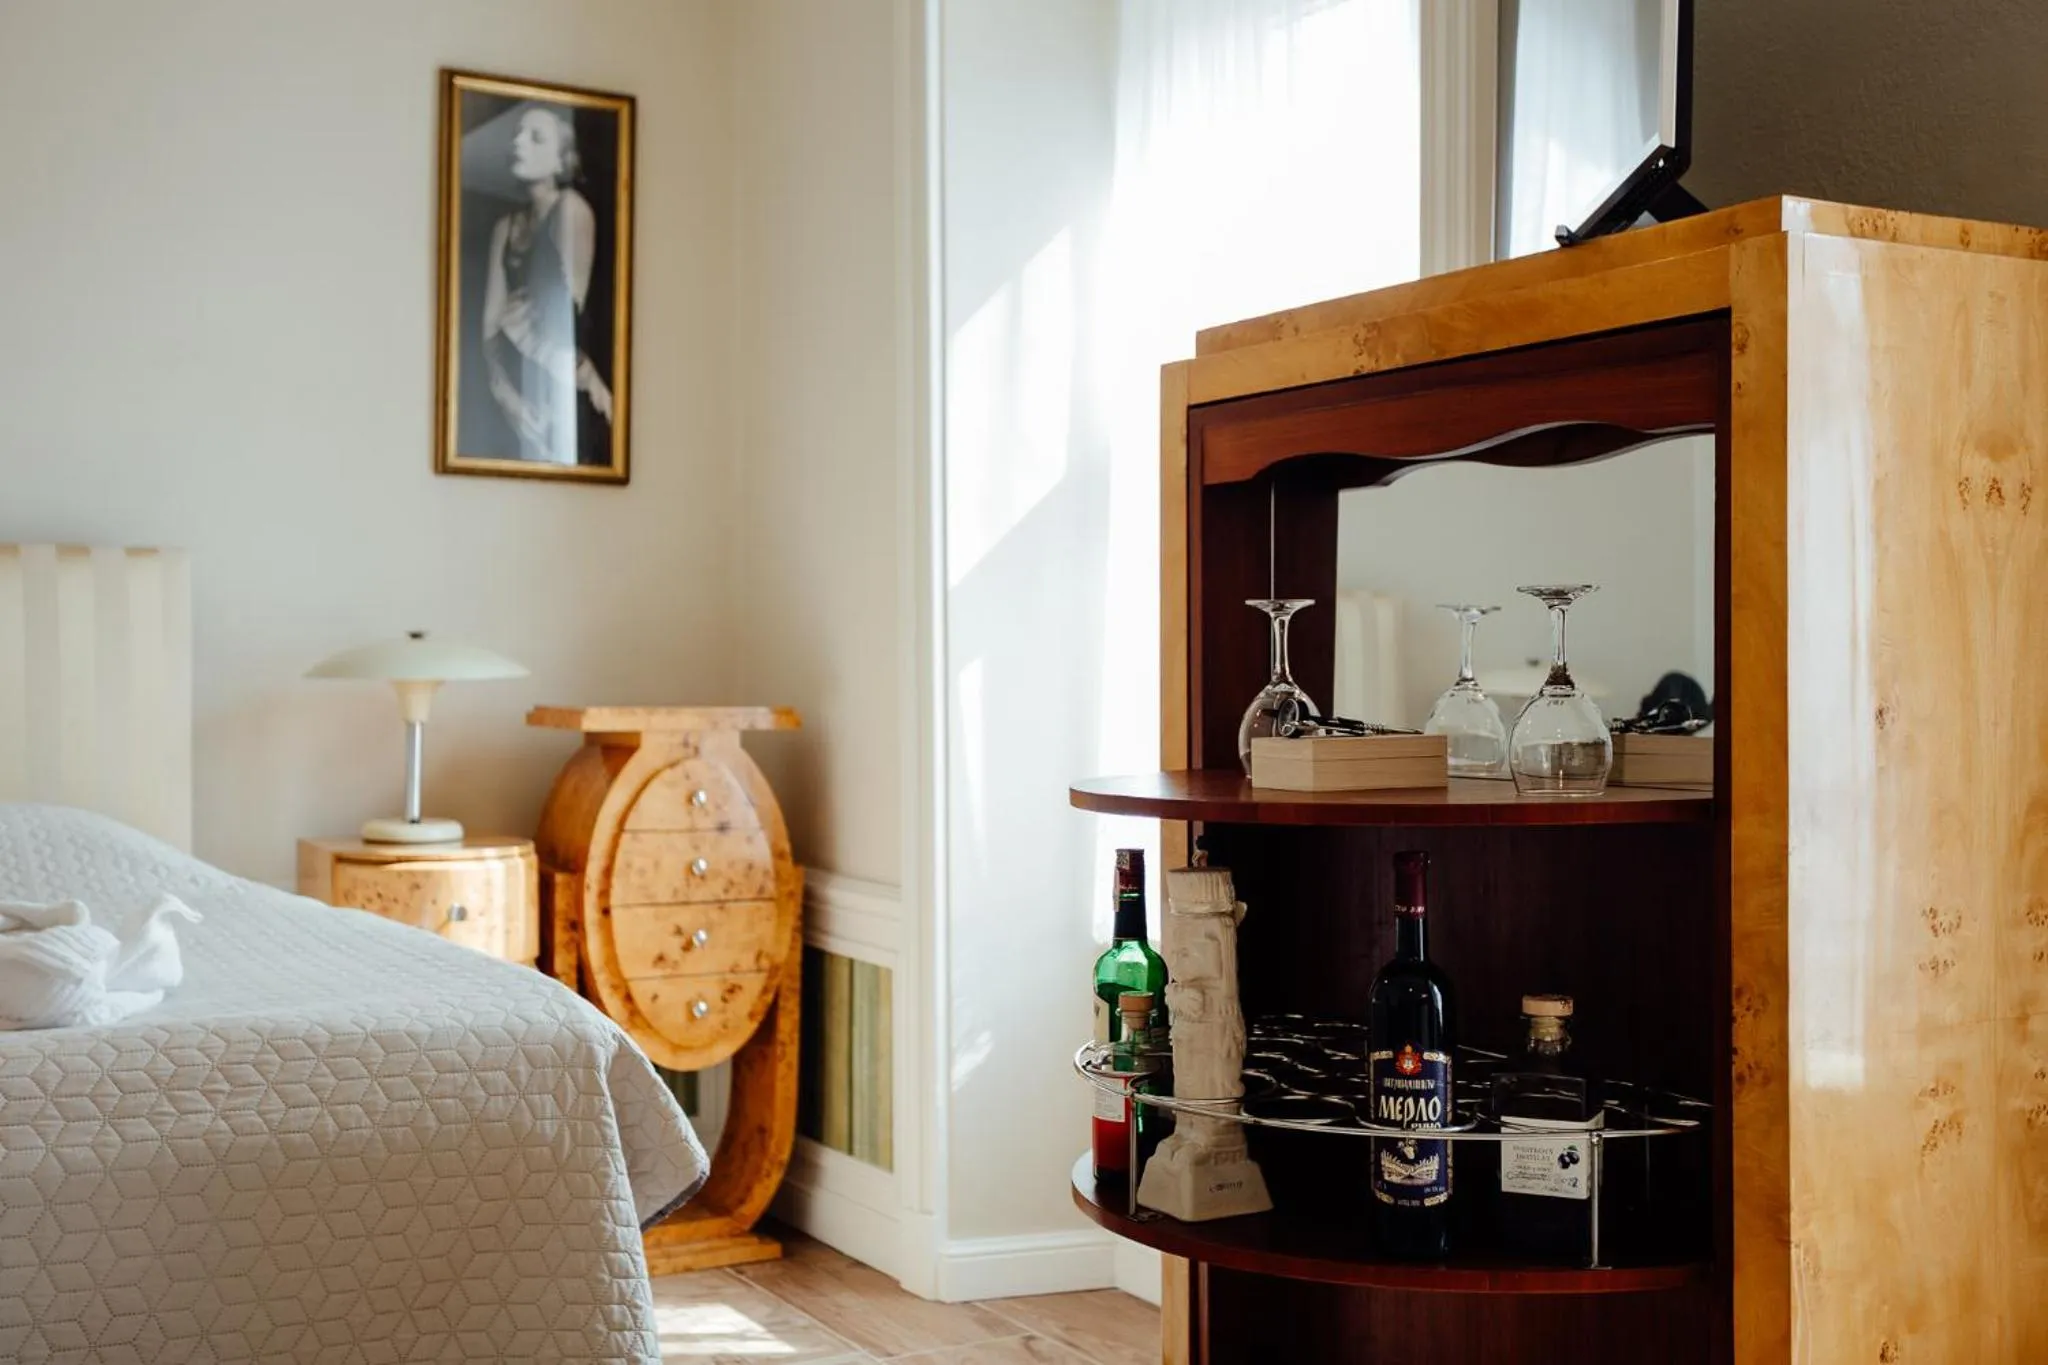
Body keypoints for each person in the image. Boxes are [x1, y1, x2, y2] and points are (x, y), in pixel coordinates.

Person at [482, 105, 612, 465]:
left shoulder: (571, 209)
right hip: (513, 376)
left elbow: (563, 325)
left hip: (557, 371)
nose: (518, 142)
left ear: (560, 162)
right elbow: (491, 325)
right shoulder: (504, 227)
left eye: (535, 137)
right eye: (517, 135)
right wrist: (504, 393)